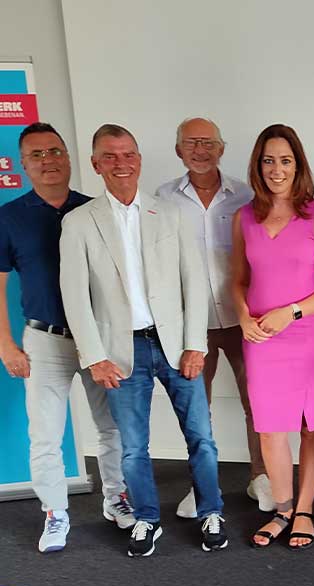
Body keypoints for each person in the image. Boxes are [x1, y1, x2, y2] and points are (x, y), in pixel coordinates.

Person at [60, 124, 225, 557]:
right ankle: (147, 519)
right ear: (96, 164)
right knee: (133, 447)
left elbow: (194, 282)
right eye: (110, 156)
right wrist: (94, 356)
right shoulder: (79, 223)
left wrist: (196, 344)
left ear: (139, 159)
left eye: (128, 154)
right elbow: (75, 296)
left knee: (201, 438)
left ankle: (211, 512)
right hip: (120, 351)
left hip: (176, 345)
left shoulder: (170, 214)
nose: (121, 163)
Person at [0, 122, 134, 553]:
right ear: (24, 165)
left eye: (55, 151)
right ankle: (55, 512)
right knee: (45, 434)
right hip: (45, 340)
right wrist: (6, 345)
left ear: (69, 157)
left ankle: (116, 498)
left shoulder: (94, 210)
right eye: (37, 155)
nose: (48, 160)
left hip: (98, 340)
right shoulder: (9, 217)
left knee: (112, 427)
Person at [232, 124, 314, 549]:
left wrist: (291, 312)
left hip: (307, 334)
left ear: (298, 166)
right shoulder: (244, 217)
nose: (277, 169)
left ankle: (305, 510)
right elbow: (238, 280)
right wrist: (243, 316)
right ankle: (282, 509)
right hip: (260, 338)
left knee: (310, 425)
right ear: (258, 166)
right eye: (269, 161)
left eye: (285, 160)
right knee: (270, 428)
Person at [156, 117, 273, 518]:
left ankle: (261, 475)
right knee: (195, 408)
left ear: (222, 149)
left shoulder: (246, 196)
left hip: (244, 317)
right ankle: (202, 485)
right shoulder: (163, 198)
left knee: (256, 400)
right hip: (190, 324)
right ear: (178, 150)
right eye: (191, 143)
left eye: (208, 142)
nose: (200, 150)